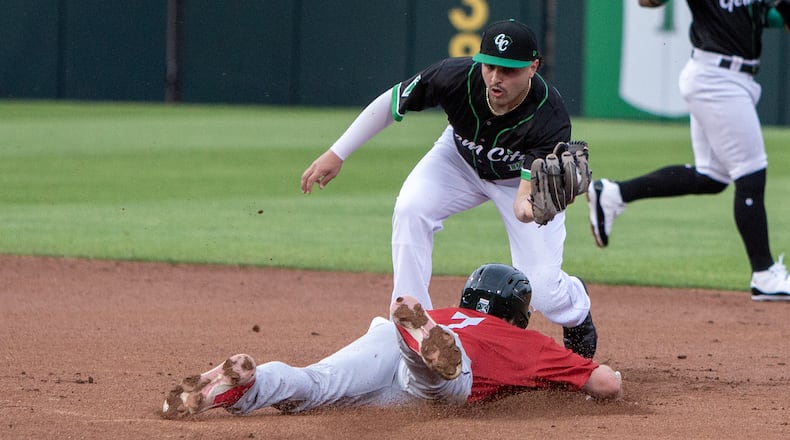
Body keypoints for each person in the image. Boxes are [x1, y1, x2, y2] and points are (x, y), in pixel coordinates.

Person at [300, 19, 597, 357]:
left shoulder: (550, 116)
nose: (497, 77)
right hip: (457, 159)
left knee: (543, 291)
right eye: (490, 66)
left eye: (509, 70)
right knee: (411, 208)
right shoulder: (455, 76)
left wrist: (531, 211)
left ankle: (575, 306)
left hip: (516, 182)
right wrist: (337, 153)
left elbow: (522, 202)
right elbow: (392, 102)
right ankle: (413, 325)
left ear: (533, 67)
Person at [161, 264, 623, 419]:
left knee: (318, 384)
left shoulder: (447, 312)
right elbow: (603, 385)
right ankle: (423, 348)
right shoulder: (530, 345)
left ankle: (248, 386)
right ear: (517, 312)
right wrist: (607, 377)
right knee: (437, 384)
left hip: (385, 338)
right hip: (452, 374)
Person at [588, 0, 790, 302]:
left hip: (732, 78)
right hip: (716, 78)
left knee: (711, 176)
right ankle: (763, 273)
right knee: (750, 173)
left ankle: (614, 194)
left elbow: (773, 19)